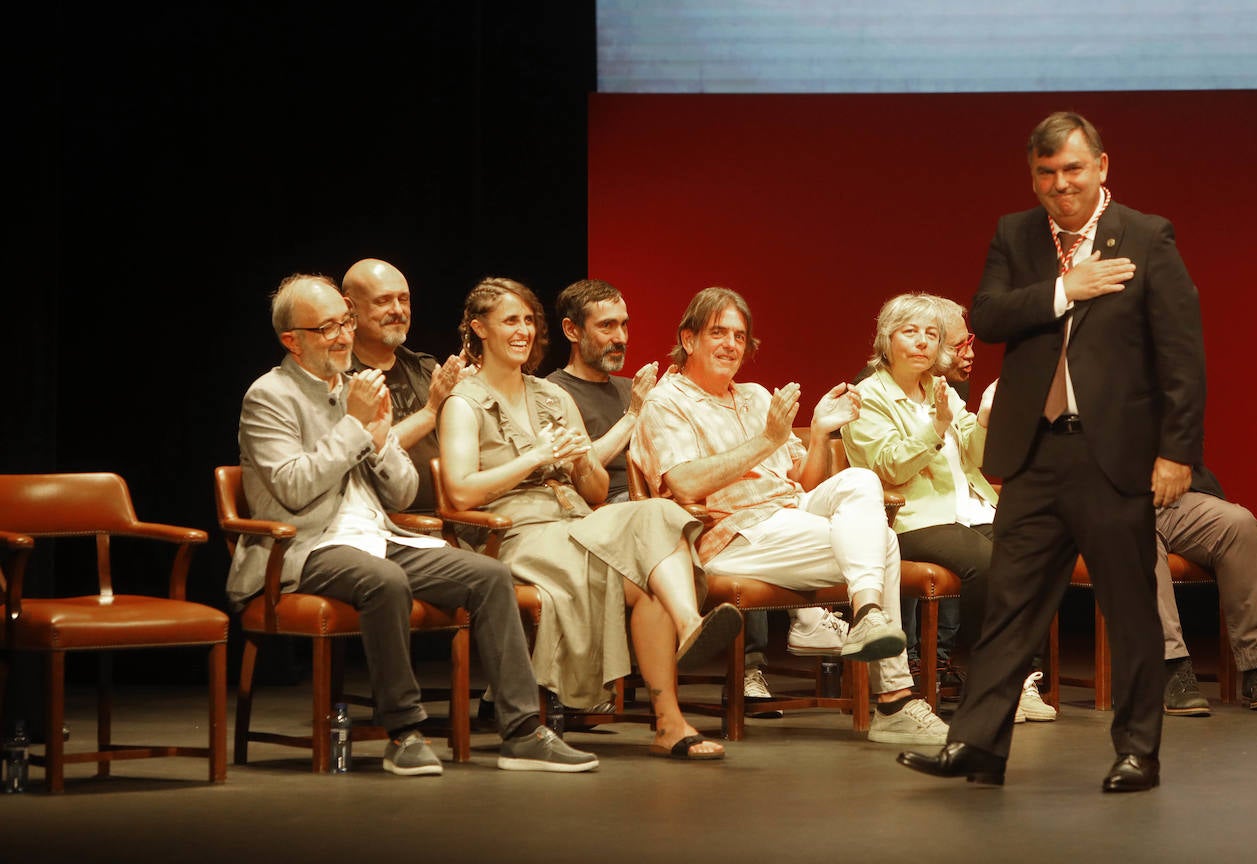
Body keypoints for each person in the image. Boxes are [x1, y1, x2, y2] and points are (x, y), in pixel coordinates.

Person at [898, 112, 1206, 792]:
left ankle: (1138, 752)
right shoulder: (1017, 234)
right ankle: (977, 743)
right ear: (1032, 178)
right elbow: (986, 315)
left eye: (1072, 169)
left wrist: (1176, 451)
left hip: (1116, 455)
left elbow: (1183, 355)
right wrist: (1070, 287)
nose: (1060, 185)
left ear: (1101, 166)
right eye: (1046, 173)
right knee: (1009, 604)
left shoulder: (1148, 237)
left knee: (1130, 610)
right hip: (1035, 452)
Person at [226, 274, 598, 775]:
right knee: (385, 582)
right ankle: (403, 732)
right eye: (326, 328)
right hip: (305, 547)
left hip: (379, 533)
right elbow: (293, 487)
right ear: (292, 340)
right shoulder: (268, 397)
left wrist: (380, 441)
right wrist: (357, 426)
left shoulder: (354, 388)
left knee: (487, 576)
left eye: (344, 323)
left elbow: (400, 492)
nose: (342, 336)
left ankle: (523, 731)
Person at [438, 277, 742, 761]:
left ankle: (683, 656)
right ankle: (673, 703)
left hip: (575, 522)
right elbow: (458, 490)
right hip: (514, 533)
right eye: (509, 321)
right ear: (479, 328)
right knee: (649, 572)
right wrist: (534, 457)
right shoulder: (463, 402)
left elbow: (597, 490)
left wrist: (580, 461)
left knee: (657, 522)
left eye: (527, 321)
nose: (522, 331)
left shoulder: (551, 398)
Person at [630, 286, 948, 745]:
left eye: (739, 336)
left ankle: (868, 615)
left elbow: (806, 480)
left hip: (788, 515)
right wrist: (766, 441)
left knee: (861, 483)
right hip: (729, 536)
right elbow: (684, 484)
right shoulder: (667, 402)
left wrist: (819, 431)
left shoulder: (757, 397)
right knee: (885, 541)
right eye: (718, 333)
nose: (730, 345)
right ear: (688, 338)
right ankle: (894, 697)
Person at [843, 293, 1057, 726]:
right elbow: (890, 466)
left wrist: (983, 416)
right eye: (911, 332)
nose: (922, 342)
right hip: (911, 518)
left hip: (970, 510)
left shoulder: (940, 390)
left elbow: (975, 457)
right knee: (990, 565)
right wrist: (935, 427)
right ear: (887, 340)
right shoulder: (867, 396)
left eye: (932, 334)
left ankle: (1019, 680)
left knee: (1036, 556)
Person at [342, 258, 473, 513]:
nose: (398, 310)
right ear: (350, 308)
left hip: (457, 514)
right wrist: (432, 411)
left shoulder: (424, 367)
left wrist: (468, 397)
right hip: (389, 522)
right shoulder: (340, 379)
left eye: (403, 299)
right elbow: (364, 452)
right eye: (383, 301)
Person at [1158, 466, 1257, 715]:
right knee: (1135, 534)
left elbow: (1183, 432)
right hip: (1114, 501)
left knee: (1241, 526)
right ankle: (1170, 665)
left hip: (1175, 494)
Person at [546, 278, 658, 504]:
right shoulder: (552, 392)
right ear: (571, 330)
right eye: (606, 325)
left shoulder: (632, 388)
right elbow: (572, 469)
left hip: (653, 496)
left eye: (623, 324)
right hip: (603, 507)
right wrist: (633, 416)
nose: (621, 338)